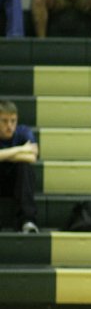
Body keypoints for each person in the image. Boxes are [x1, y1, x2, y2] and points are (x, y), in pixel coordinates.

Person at [0, 100, 39, 233]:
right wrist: (21, 149)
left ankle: (27, 221)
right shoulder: (22, 142)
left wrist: (4, 155)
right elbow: (27, 152)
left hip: (16, 183)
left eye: (13, 121)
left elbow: (32, 156)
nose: (9, 126)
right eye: (4, 121)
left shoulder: (23, 131)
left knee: (25, 167)